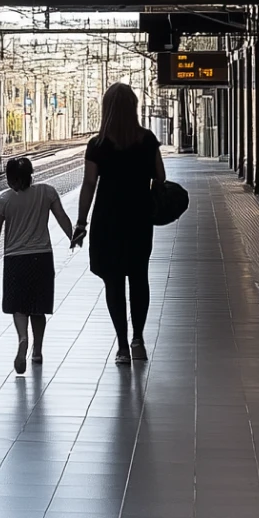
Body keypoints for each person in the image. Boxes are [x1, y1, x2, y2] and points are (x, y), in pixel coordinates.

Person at [74, 83, 164, 365]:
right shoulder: (147, 140)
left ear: (107, 109)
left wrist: (81, 222)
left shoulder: (98, 145)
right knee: (139, 278)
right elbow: (160, 177)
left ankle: (122, 347)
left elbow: (89, 184)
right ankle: (138, 339)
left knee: (113, 283)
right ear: (133, 107)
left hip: (107, 221)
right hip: (139, 219)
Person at [0, 155, 74, 375]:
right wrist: (73, 237)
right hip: (41, 257)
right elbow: (62, 217)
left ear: (11, 179)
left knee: (19, 307)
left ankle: (23, 339)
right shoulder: (47, 192)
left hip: (15, 259)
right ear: (31, 175)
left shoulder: (4, 200)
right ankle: (37, 350)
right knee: (38, 308)